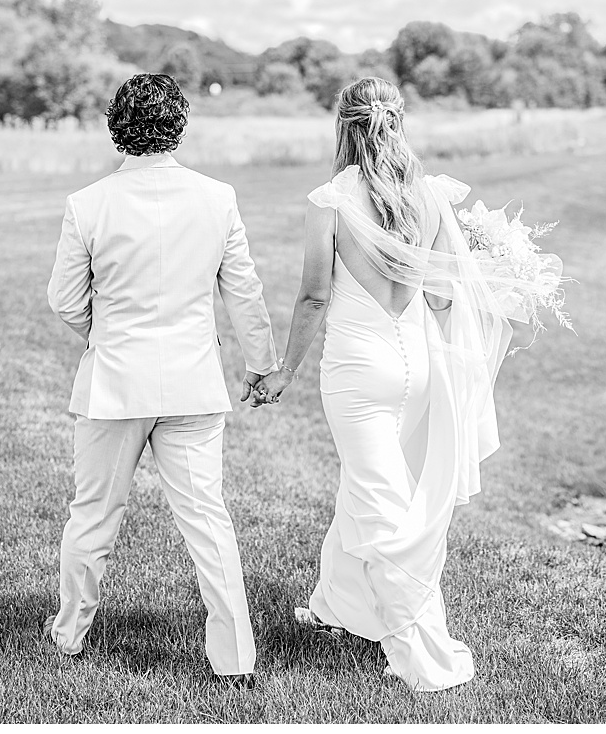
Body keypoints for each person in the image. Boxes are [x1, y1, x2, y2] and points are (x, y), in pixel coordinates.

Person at [251, 75, 516, 691]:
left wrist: (282, 372)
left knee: (384, 511)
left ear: (342, 126)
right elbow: (448, 294)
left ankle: (423, 657)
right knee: (364, 486)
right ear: (398, 122)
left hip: (358, 374)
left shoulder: (331, 200)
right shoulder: (428, 196)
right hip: (417, 365)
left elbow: (315, 296)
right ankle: (335, 606)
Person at [45, 73, 278, 685]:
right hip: (193, 382)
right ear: (179, 124)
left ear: (117, 126)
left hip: (112, 382)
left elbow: (65, 300)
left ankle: (70, 633)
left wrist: (106, 335)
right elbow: (244, 292)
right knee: (208, 518)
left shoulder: (88, 204)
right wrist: (260, 365)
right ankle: (236, 658)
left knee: (93, 512)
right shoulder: (217, 198)